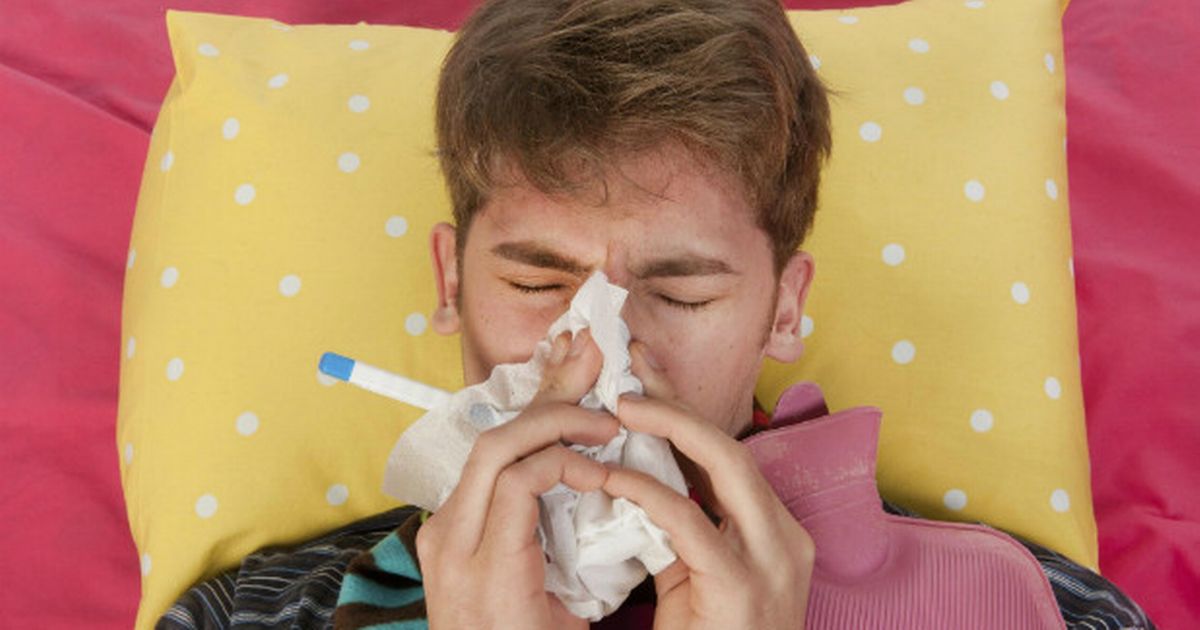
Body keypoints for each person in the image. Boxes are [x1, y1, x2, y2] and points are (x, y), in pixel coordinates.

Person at [160, 0, 1154, 628]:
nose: (602, 357)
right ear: (450, 282)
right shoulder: (248, 617)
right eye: (538, 281)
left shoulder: (1040, 611)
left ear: (782, 310)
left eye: (680, 292)